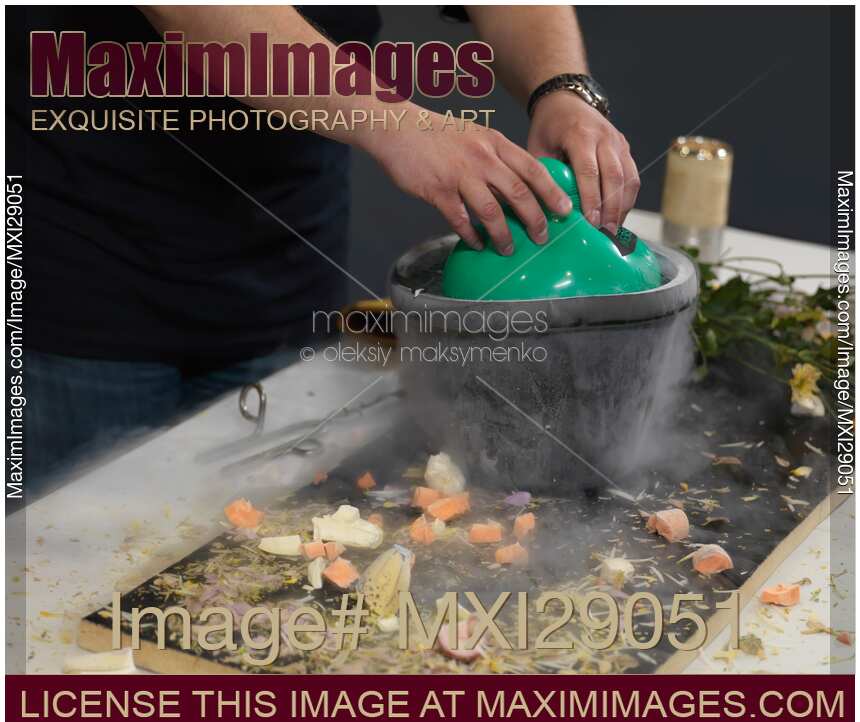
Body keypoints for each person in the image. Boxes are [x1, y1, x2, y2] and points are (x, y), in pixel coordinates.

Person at [9, 6, 639, 498]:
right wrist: (398, 123)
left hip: (284, 268)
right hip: (81, 279)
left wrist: (560, 86)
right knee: (69, 585)